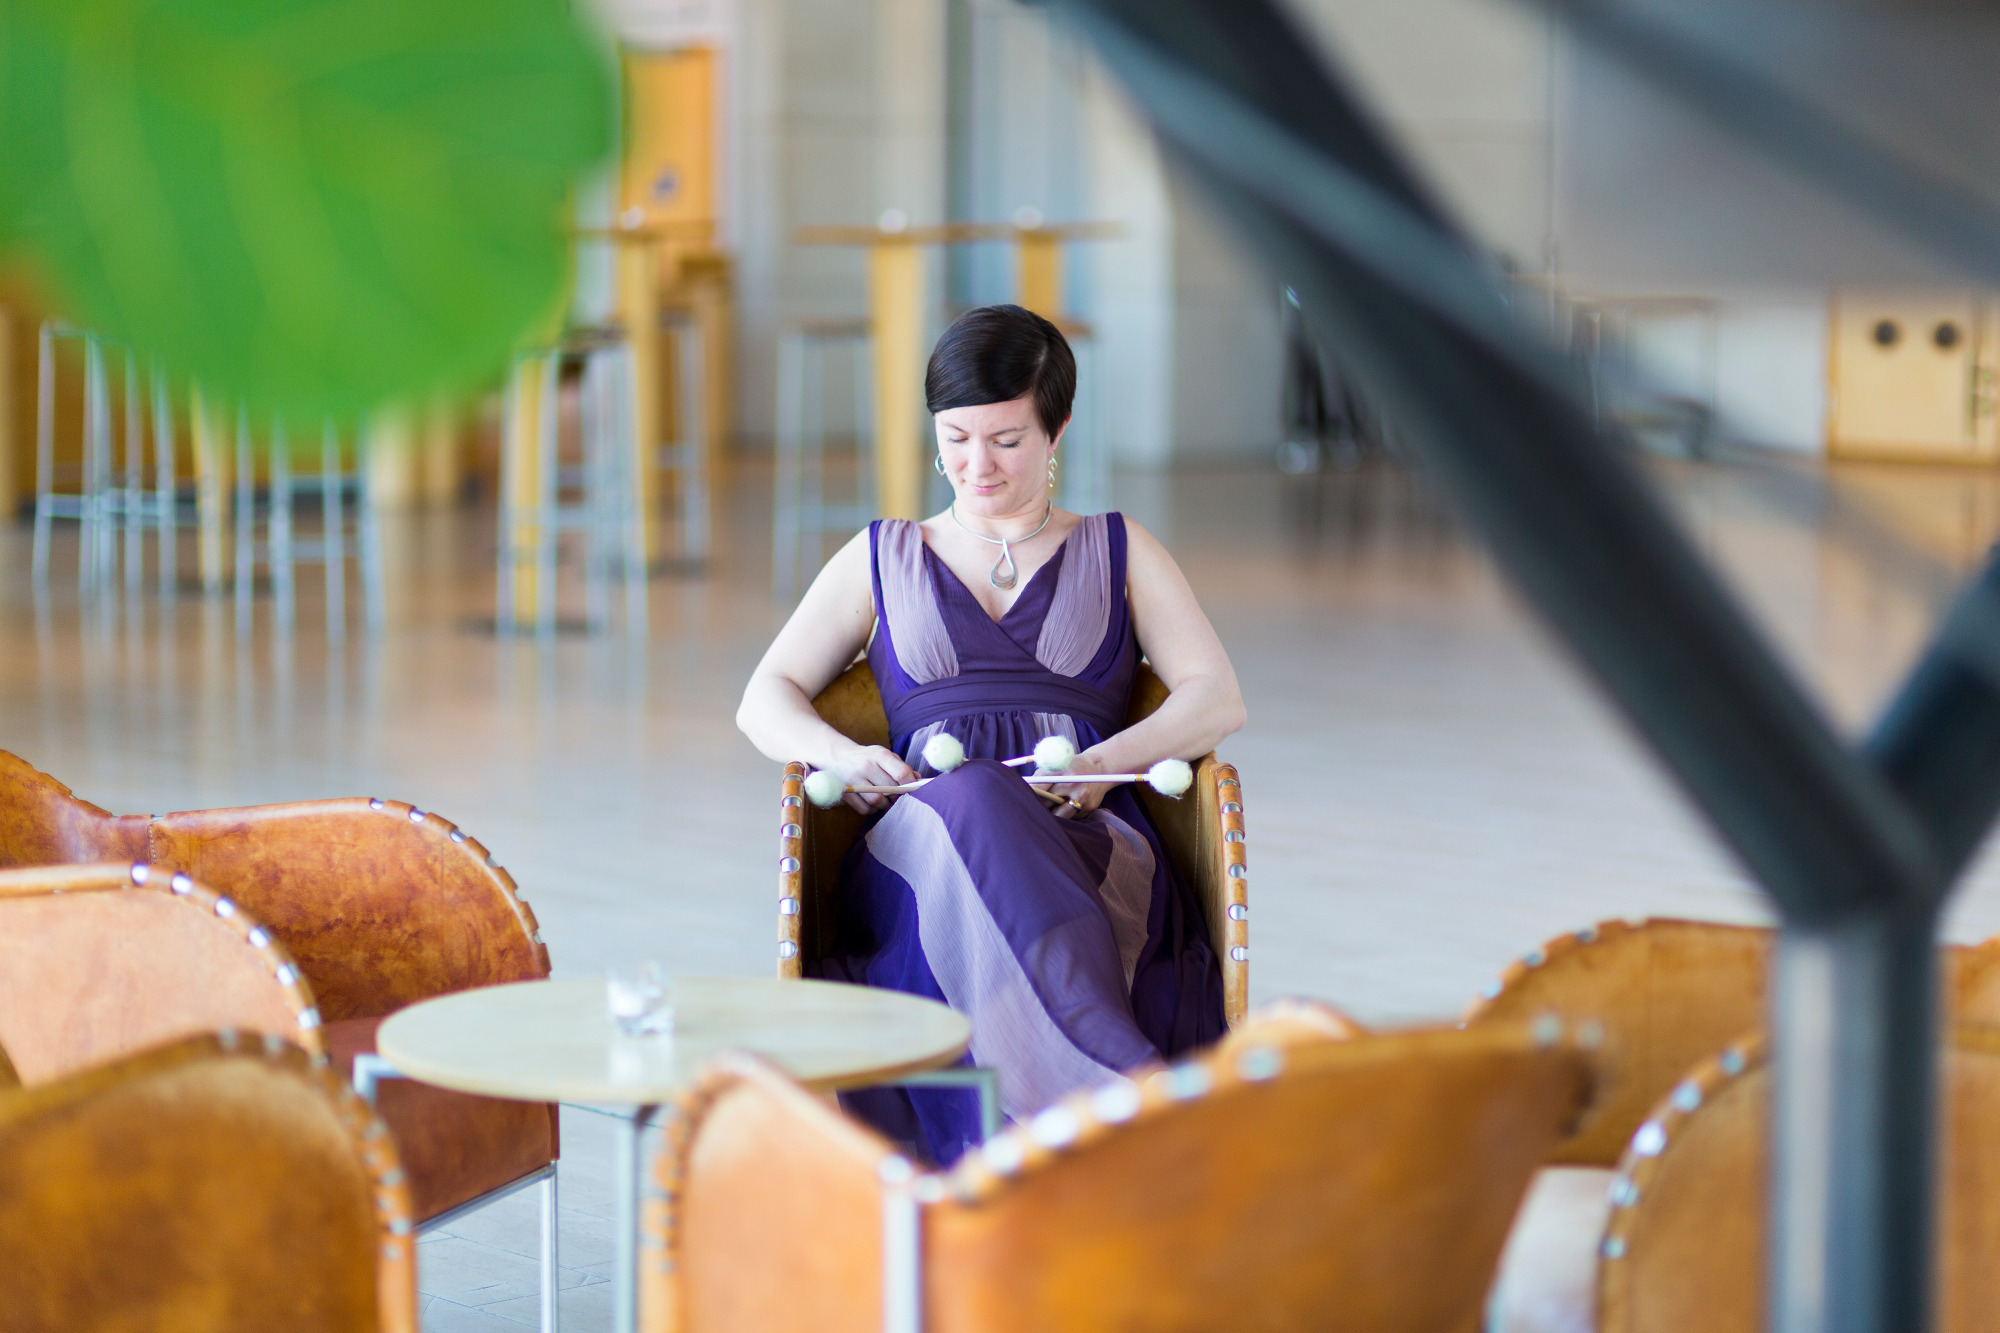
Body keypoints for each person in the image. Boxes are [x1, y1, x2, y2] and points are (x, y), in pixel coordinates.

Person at [738, 304, 1245, 1163]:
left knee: (987, 798)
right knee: (972, 791)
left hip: (1085, 845)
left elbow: (1217, 696)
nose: (978, 464)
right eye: (957, 437)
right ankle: (1123, 1099)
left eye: (1007, 440)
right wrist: (843, 755)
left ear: (1058, 431)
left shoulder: (1118, 548)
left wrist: (1107, 760)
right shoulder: (883, 553)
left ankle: (1062, 1118)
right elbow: (764, 697)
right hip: (923, 850)